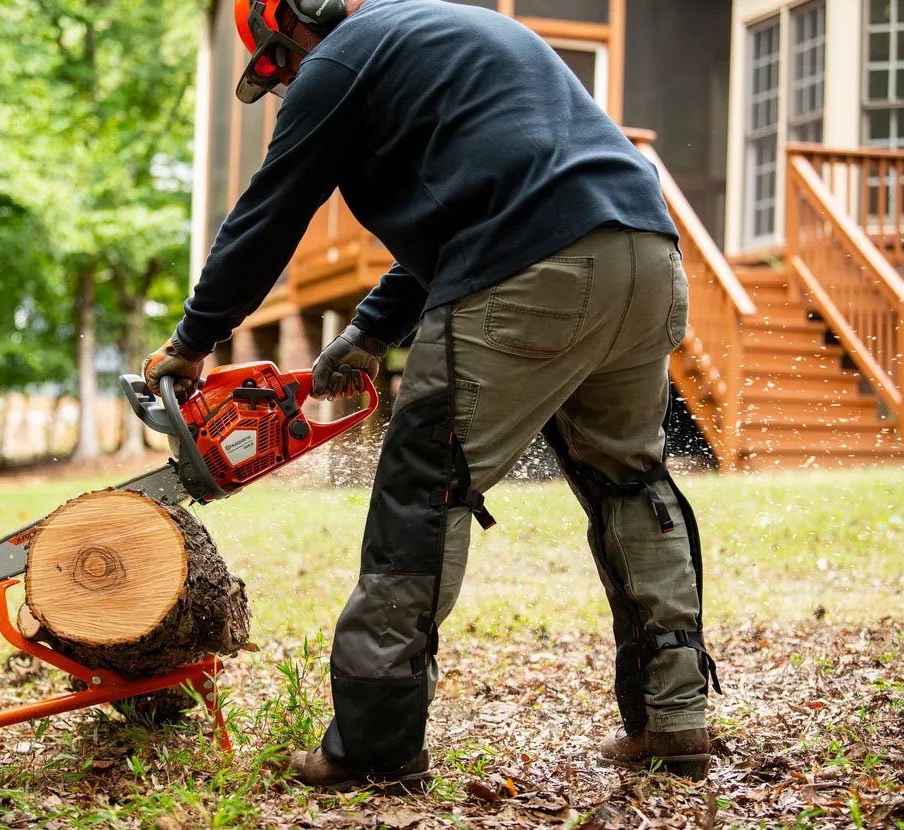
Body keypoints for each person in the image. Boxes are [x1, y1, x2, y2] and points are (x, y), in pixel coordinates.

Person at [143, 0, 721, 789]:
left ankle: (375, 745)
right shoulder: (455, 30)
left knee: (421, 488)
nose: (288, 84)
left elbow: (267, 215)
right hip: (647, 255)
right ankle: (675, 717)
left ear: (301, 18)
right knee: (630, 479)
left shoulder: (340, 62)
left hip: (527, 268)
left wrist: (192, 339)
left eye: (280, 64)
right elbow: (481, 201)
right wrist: (369, 333)